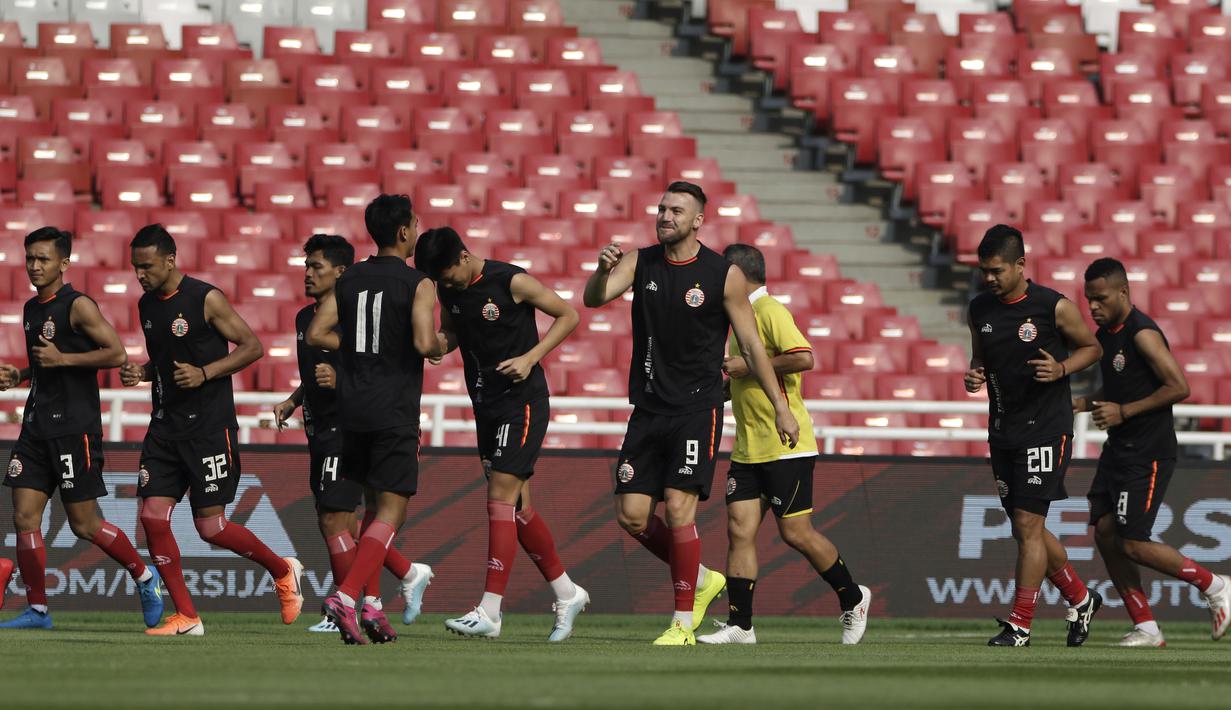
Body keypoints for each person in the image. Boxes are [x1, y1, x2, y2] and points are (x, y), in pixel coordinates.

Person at [582, 181, 799, 646]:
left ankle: (682, 623)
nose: (665, 216)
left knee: (680, 509)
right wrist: (600, 272)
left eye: (676, 211)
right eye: (661, 208)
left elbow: (754, 348)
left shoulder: (723, 275)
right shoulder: (640, 261)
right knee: (632, 516)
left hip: (697, 408)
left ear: (698, 220)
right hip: (647, 407)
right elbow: (594, 299)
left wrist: (781, 408)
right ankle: (701, 579)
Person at [121, 224, 303, 636]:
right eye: (134, 268)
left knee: (210, 528)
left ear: (170, 259)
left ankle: (282, 570)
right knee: (152, 517)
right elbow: (167, 361)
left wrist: (204, 373)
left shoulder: (206, 298)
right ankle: (187, 616)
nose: (139, 275)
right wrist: (144, 372)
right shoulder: (147, 305)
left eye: (146, 266)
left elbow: (252, 346)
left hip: (208, 428)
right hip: (165, 428)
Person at [414, 226, 589, 641]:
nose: (444, 284)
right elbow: (454, 332)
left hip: (522, 401)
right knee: (519, 507)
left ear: (462, 257)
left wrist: (531, 357)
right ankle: (568, 593)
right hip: (485, 405)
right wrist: (439, 344)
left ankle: (490, 611)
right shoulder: (449, 290)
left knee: (499, 499)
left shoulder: (511, 281)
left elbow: (569, 314)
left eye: (446, 275)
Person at [697, 244, 870, 645]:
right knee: (739, 531)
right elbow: (749, 377)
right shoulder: (738, 316)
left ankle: (854, 597)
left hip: (785, 443)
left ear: (740, 275)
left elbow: (803, 357)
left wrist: (747, 366)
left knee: (796, 533)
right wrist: (723, 388)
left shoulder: (770, 311)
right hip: (748, 446)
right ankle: (741, 625)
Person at [272, 234, 434, 639]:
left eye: (317, 267)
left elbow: (369, 365)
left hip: (346, 424)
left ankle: (345, 605)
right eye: (306, 267)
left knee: (336, 518)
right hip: (319, 425)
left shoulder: (355, 318)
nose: (308, 275)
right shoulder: (304, 319)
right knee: (347, 520)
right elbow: (316, 371)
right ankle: (392, 586)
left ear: (342, 274)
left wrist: (339, 378)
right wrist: (296, 398)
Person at [0, 227, 163, 630]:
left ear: (64, 263)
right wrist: (20, 374)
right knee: (24, 517)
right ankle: (38, 610)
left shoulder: (78, 306)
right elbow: (46, 363)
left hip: (75, 429)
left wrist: (62, 361)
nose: (35, 266)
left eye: (44, 259)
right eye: (31, 258)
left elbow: (115, 352)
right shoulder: (31, 309)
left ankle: (145, 578)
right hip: (36, 427)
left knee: (84, 524)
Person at [310, 195, 446, 645]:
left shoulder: (351, 279)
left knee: (370, 507)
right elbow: (427, 344)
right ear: (404, 232)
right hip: (393, 408)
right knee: (393, 508)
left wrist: (354, 351)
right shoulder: (418, 283)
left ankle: (371, 605)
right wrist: (446, 343)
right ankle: (347, 597)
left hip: (352, 407)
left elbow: (316, 333)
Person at [1078, 257, 1230, 646]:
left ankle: (1215, 586)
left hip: (1149, 451)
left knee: (1132, 540)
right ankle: (1146, 626)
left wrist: (1123, 412)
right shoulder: (1107, 334)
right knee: (1106, 533)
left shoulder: (1142, 333)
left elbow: (1179, 386)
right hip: (1120, 449)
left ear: (1124, 293)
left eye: (1100, 298)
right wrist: (1086, 402)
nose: (1093, 306)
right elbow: (1123, 388)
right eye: (1088, 299)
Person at [965, 225, 1103, 647]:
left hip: (1046, 428)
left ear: (1021, 265)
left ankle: (1020, 624)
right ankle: (1081, 599)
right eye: (984, 271)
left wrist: (1062, 368)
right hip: (1002, 429)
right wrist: (975, 374)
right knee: (1027, 530)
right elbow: (980, 356)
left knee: (1027, 525)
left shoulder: (1052, 307)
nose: (989, 278)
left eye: (996, 270)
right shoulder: (980, 309)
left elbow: (1091, 348)